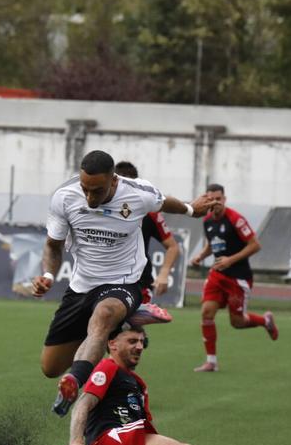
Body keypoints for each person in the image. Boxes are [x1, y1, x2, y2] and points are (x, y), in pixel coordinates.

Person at [33, 150, 212, 415]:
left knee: (104, 314)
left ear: (113, 180)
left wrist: (190, 209)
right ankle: (122, 322)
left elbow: (164, 202)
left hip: (125, 282)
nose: (90, 198)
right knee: (50, 367)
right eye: (86, 189)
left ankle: (74, 381)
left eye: (97, 190)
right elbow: (53, 246)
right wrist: (48, 276)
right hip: (82, 286)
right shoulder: (65, 197)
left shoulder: (138, 193)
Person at [58, 325, 262, 445]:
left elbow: (152, 444)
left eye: (141, 342)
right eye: (132, 341)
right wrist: (76, 440)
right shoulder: (107, 367)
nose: (139, 346)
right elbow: (82, 404)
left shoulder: (139, 385)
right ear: (112, 344)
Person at [187, 184, 278, 372]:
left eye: (218, 199)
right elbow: (212, 244)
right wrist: (201, 256)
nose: (215, 203)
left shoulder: (236, 219)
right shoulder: (207, 220)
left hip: (238, 277)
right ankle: (211, 361)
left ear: (224, 199)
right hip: (217, 275)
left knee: (237, 322)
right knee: (206, 313)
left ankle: (265, 321)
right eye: (211, 199)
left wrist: (230, 260)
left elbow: (255, 245)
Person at [113, 161, 181, 309]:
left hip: (139, 283)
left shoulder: (149, 213)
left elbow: (173, 247)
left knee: (129, 330)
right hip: (105, 280)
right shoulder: (100, 209)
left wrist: (163, 274)